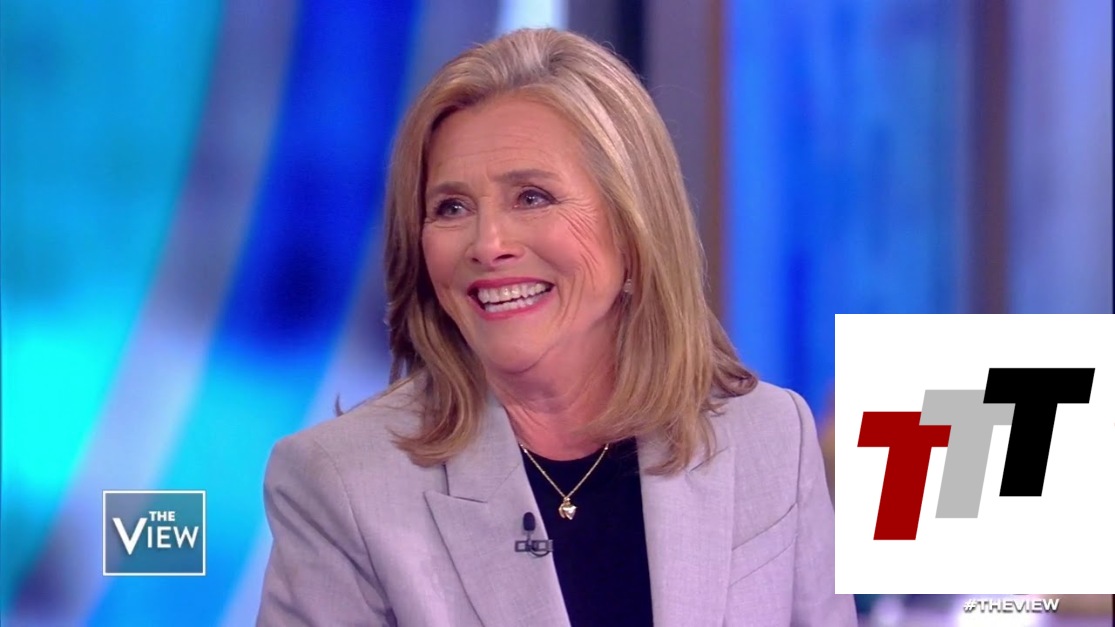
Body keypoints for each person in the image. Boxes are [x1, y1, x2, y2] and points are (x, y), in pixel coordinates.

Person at [256, 27, 856, 627]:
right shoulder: (342, 483)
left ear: (633, 222)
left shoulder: (770, 436)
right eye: (451, 208)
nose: (488, 244)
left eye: (532, 197)